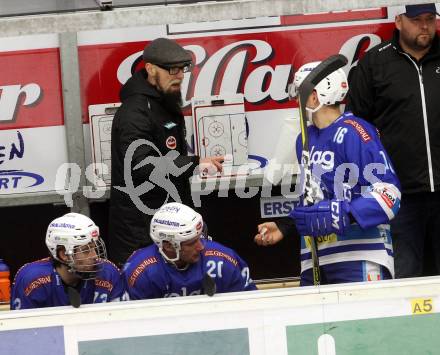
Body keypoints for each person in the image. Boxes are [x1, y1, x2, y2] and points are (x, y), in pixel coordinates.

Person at [254, 61, 401, 285]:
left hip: (360, 254)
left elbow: (389, 195)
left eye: (298, 93)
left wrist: (345, 214)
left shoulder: (356, 132)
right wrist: (287, 225)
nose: (296, 102)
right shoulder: (304, 139)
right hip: (316, 258)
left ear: (314, 96)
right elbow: (316, 198)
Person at [109, 37, 224, 267]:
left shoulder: (163, 103)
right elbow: (141, 165)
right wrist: (193, 163)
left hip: (167, 225)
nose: (179, 75)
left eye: (182, 69)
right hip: (140, 231)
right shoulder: (135, 111)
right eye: (172, 69)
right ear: (150, 69)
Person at [347, 3, 440, 278]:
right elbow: (354, 128)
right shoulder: (374, 64)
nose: (425, 26)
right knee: (405, 279)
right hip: (400, 197)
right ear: (398, 21)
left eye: (430, 19)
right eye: (416, 20)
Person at [123, 202, 257, 299]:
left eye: (200, 238)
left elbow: (251, 306)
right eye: (192, 242)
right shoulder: (141, 272)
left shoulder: (223, 260)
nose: (201, 246)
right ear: (168, 245)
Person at [11, 213, 125, 309]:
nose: (95, 255)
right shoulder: (32, 281)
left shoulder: (108, 273)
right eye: (86, 250)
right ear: (64, 254)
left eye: (95, 247)